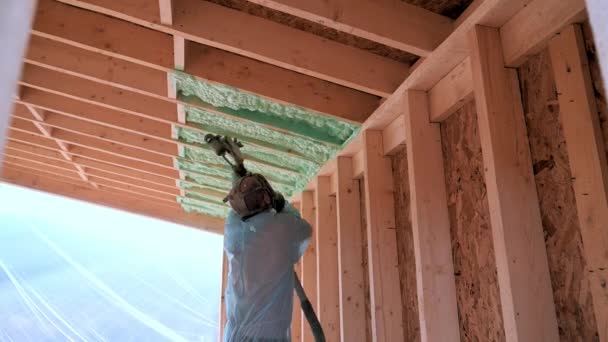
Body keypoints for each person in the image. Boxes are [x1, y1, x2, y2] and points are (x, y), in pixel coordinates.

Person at [222, 171, 312, 342]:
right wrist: (281, 203)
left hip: (235, 335)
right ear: (265, 199)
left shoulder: (232, 229)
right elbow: (304, 231)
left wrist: (240, 180)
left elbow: (238, 211)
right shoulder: (282, 227)